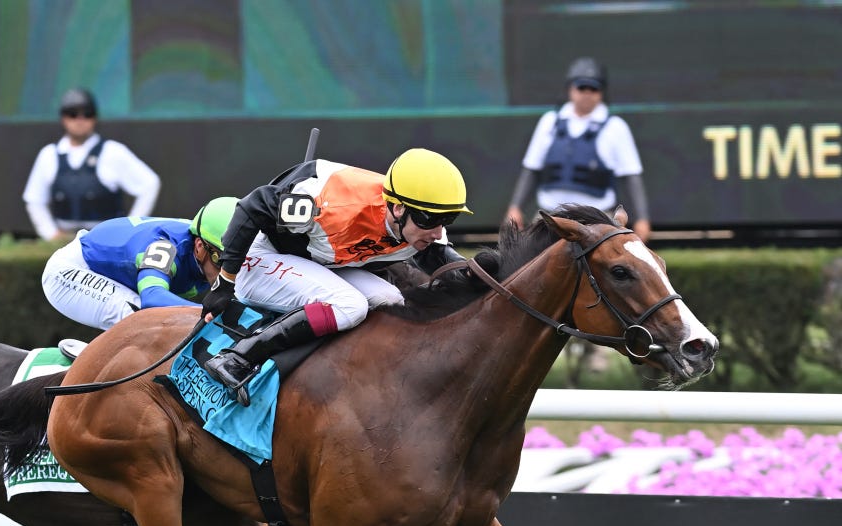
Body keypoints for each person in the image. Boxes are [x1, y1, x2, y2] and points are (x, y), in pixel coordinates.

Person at [200, 148, 472, 406]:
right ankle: (239, 358)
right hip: (262, 258)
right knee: (350, 305)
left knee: (390, 301)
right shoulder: (329, 204)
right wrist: (225, 282)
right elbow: (251, 206)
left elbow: (444, 261)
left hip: (320, 264)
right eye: (430, 220)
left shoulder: (419, 221)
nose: (437, 232)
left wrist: (482, 276)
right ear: (398, 208)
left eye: (446, 220)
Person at [505, 57, 651, 240]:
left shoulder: (615, 127)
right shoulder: (549, 122)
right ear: (570, 89)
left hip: (597, 221)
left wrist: (642, 219)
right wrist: (515, 207)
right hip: (550, 218)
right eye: (581, 87)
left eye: (594, 88)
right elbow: (531, 169)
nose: (587, 93)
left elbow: (631, 177)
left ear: (602, 93)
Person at [41, 196, 238, 331]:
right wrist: (207, 313)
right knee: (142, 317)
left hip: (114, 274)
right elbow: (152, 298)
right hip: (71, 271)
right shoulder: (166, 246)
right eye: (222, 262)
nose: (230, 272)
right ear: (199, 247)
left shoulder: (208, 240)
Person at [23, 88, 161, 242]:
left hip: (106, 242)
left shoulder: (113, 152)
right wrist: (51, 234)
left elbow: (150, 184)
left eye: (87, 114)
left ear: (95, 118)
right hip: (63, 245)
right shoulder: (48, 155)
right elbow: (34, 199)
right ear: (63, 118)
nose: (80, 120)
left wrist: (129, 230)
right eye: (72, 114)